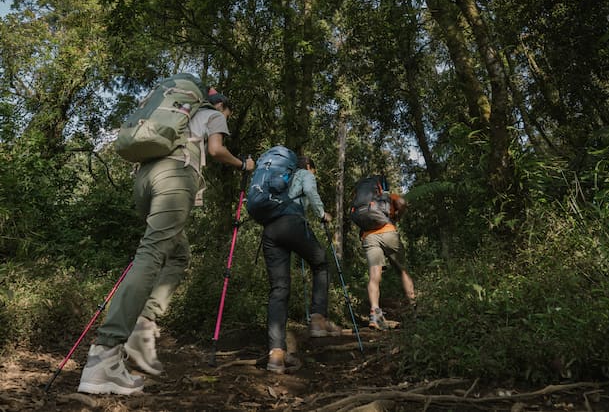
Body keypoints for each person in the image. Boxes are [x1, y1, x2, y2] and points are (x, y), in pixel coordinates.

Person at [78, 87, 255, 395]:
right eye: (228, 111)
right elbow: (215, 150)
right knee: (152, 255)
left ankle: (144, 321)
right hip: (175, 177)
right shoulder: (213, 114)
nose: (227, 116)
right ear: (222, 105)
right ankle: (105, 354)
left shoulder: (176, 116)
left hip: (145, 181)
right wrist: (243, 165)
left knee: (177, 254)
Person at [262, 155, 341, 374]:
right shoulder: (304, 174)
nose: (313, 175)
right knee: (321, 263)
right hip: (291, 224)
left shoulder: (276, 178)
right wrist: (322, 214)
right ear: (309, 167)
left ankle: (276, 355)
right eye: (314, 171)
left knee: (279, 289)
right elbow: (311, 192)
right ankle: (317, 319)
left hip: (270, 230)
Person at [359, 185, 416, 330]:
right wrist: (397, 216)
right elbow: (402, 203)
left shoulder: (364, 200)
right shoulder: (389, 196)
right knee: (402, 271)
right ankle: (414, 308)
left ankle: (374, 313)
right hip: (389, 233)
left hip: (369, 236)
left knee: (374, 276)